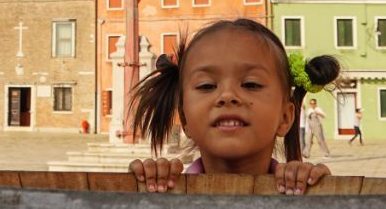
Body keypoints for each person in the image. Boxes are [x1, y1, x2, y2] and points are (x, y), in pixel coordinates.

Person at [128, 18, 340, 195]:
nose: (227, 96)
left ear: (285, 117)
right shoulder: (161, 190)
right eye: (207, 85)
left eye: (251, 84)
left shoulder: (304, 189)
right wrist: (140, 190)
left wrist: (322, 195)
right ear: (184, 120)